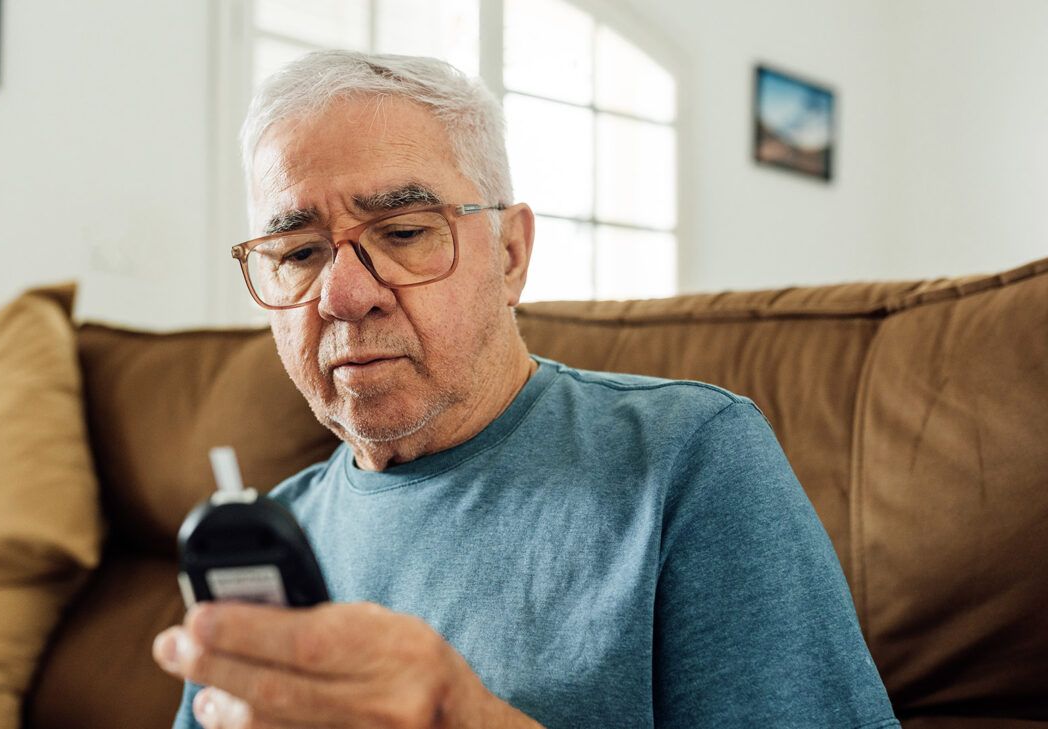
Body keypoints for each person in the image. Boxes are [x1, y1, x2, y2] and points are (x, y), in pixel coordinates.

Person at [153, 50, 899, 729]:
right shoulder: (259, 540)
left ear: (510, 255)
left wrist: (464, 717)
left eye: (405, 232)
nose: (344, 295)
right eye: (299, 251)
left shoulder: (690, 459)